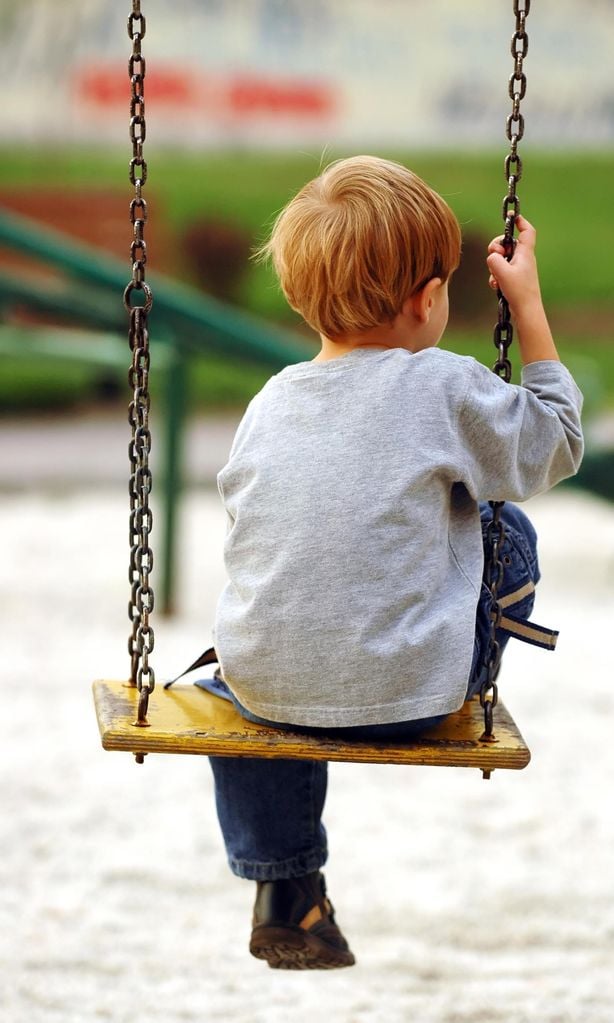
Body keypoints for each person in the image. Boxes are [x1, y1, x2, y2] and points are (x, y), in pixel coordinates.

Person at [204, 156, 583, 970]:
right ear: (429, 298)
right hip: (416, 693)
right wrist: (530, 305)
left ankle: (286, 883)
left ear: (302, 296)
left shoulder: (270, 399)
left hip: (266, 691)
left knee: (246, 685)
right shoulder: (443, 385)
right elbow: (556, 440)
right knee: (503, 518)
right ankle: (458, 666)